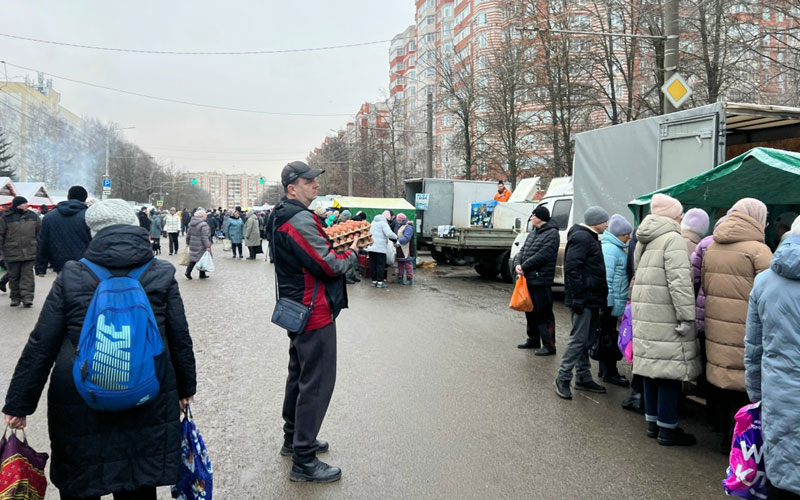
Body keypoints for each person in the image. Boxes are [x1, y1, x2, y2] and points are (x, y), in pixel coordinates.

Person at [2, 198, 197, 500]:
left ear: (93, 233)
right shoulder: (160, 272)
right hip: (147, 389)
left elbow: (43, 341)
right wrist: (186, 389)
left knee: (82, 482)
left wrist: (19, 403)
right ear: (133, 227)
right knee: (138, 482)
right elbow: (179, 337)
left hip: (80, 394)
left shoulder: (73, 274)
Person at [271, 161, 360, 483]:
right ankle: (304, 459)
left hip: (298, 309)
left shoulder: (284, 214)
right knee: (316, 384)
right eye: (308, 181)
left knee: (299, 376)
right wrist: (350, 254)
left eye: (314, 181)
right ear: (292, 188)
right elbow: (328, 265)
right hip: (313, 311)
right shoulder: (297, 219)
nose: (315, 185)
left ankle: (293, 440)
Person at [702, 198, 772, 452]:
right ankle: (735, 443)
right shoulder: (758, 251)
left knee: (721, 379)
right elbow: (769, 293)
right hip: (744, 327)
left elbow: (706, 287)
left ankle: (720, 431)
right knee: (742, 385)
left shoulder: (712, 246)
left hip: (715, 324)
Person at [631, 193, 699, 446]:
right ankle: (668, 428)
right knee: (669, 371)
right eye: (680, 214)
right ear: (673, 216)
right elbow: (679, 281)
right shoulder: (673, 239)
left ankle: (652, 422)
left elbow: (637, 272)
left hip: (647, 312)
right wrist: (686, 316)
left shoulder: (643, 238)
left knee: (651, 369)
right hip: (667, 314)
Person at [745, 218, 800, 498]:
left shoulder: (764, 281)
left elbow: (753, 348)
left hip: (779, 393)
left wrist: (756, 394)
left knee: (781, 474)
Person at [554, 206, 609, 400]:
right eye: (604, 221)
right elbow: (572, 268)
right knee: (578, 339)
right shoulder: (583, 238)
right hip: (584, 299)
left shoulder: (589, 237)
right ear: (595, 221)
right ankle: (563, 377)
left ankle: (583, 377)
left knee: (586, 340)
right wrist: (578, 297)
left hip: (591, 298)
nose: (607, 224)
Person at [513, 205, 559, 355]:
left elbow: (543, 255)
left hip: (541, 280)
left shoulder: (552, 234)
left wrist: (524, 266)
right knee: (530, 311)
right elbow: (522, 251)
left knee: (543, 313)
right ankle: (533, 339)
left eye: (533, 215)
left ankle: (549, 345)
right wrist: (517, 264)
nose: (531, 218)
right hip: (529, 279)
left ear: (540, 217)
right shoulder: (533, 233)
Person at [598, 214, 632, 387]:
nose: (628, 237)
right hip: (611, 303)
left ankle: (604, 370)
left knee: (606, 336)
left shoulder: (613, 247)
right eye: (626, 234)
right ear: (619, 234)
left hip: (612, 302)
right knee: (609, 337)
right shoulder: (612, 250)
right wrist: (608, 303)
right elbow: (607, 279)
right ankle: (610, 372)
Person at [35, 185, 92, 277]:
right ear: (85, 198)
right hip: (85, 262)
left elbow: (43, 242)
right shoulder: (89, 216)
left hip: (59, 262)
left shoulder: (50, 217)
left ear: (68, 197)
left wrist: (41, 268)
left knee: (63, 287)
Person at [0, 196, 41, 307]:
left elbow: (39, 233)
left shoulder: (33, 216)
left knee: (27, 276)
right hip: (12, 251)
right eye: (23, 203)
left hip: (30, 251)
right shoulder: (6, 218)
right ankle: (15, 298)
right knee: (14, 277)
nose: (26, 205)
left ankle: (27, 298)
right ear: (17, 204)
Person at [367, 213, 397, 289]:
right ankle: (380, 282)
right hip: (380, 248)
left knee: (373, 264)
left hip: (371, 247)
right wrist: (396, 237)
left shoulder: (373, 222)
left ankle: (374, 281)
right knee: (380, 265)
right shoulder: (383, 223)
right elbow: (389, 234)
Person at [185, 208, 212, 280]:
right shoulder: (203, 224)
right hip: (201, 245)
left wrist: (188, 242)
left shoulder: (191, 223)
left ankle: (188, 271)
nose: (206, 216)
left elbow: (188, 234)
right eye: (204, 215)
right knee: (202, 259)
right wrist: (208, 246)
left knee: (193, 258)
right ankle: (201, 274)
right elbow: (205, 237)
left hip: (193, 244)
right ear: (201, 216)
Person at [394, 213, 415, 285]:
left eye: (397, 219)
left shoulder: (408, 227)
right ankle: (400, 277)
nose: (396, 220)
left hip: (407, 248)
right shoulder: (401, 226)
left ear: (400, 219)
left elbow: (407, 237)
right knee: (400, 262)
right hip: (400, 247)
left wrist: (399, 241)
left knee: (407, 263)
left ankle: (409, 278)